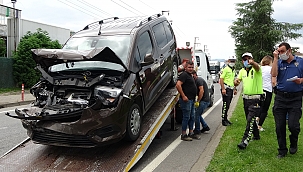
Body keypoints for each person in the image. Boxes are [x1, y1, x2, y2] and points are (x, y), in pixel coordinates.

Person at [271, 42, 303, 158]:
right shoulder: (279, 62)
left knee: (293, 125)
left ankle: (293, 142)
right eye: (279, 51)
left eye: (282, 51)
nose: (281, 54)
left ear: (289, 50)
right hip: (280, 97)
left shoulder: (300, 62)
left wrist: (301, 80)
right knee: (279, 126)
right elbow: (273, 74)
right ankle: (282, 150)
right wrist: (275, 58)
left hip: (295, 98)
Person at [234, 52, 263, 149]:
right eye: (244, 59)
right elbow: (237, 81)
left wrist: (253, 63)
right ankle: (256, 135)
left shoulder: (256, 69)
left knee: (250, 120)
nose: (246, 61)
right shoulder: (242, 71)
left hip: (255, 98)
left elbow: (257, 67)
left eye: (248, 59)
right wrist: (236, 82)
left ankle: (245, 141)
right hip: (246, 99)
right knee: (249, 118)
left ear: (252, 59)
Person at [176, 60, 197, 141]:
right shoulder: (184, 75)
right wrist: (183, 96)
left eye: (192, 67)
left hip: (191, 99)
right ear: (185, 67)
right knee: (186, 117)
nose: (191, 69)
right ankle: (184, 134)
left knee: (192, 116)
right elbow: (178, 85)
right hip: (186, 100)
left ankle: (191, 132)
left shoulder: (190, 75)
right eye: (189, 67)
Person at [256, 55, 274, 131]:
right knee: (264, 110)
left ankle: (257, 118)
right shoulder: (271, 69)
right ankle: (259, 126)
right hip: (268, 90)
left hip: (259, 90)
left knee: (259, 107)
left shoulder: (259, 68)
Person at [192, 70, 210, 138]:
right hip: (203, 100)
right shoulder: (195, 81)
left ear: (195, 75)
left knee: (196, 115)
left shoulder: (199, 80)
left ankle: (197, 130)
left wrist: (198, 101)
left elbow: (201, 90)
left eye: (193, 75)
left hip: (204, 100)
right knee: (198, 114)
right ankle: (205, 126)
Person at [219, 56, 237, 126]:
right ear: (228, 61)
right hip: (226, 88)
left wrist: (235, 89)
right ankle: (223, 120)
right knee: (225, 104)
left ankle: (226, 118)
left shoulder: (233, 70)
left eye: (233, 61)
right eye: (231, 61)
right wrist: (223, 88)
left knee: (228, 104)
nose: (232, 62)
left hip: (231, 88)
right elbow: (221, 79)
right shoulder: (225, 69)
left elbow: (234, 80)